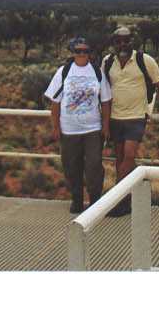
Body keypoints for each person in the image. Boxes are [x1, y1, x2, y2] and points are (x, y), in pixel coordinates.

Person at [103, 25, 159, 215]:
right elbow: (103, 91)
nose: (123, 44)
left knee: (128, 156)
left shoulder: (145, 60)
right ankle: (131, 195)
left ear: (132, 41)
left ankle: (117, 200)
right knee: (119, 159)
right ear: (113, 43)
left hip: (136, 117)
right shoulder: (107, 62)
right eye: (119, 41)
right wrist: (105, 121)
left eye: (126, 40)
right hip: (115, 117)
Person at [44, 36, 112, 214]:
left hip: (92, 129)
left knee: (94, 166)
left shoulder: (97, 72)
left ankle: (95, 202)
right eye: (78, 51)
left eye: (85, 51)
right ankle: (77, 200)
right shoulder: (64, 72)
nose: (81, 54)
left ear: (90, 53)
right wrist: (56, 127)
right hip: (69, 130)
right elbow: (55, 102)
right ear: (72, 53)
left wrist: (105, 126)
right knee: (71, 167)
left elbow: (105, 101)